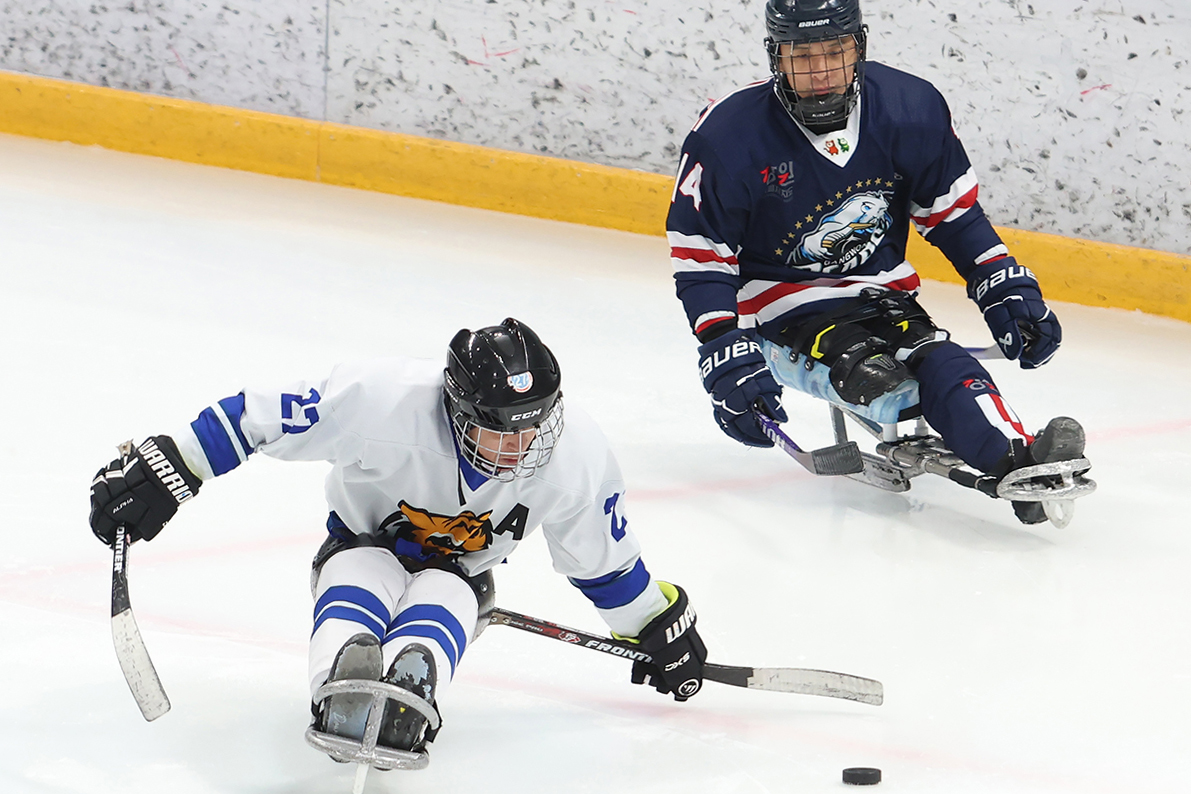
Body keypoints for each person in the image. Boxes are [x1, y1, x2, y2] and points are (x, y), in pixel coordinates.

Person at [88, 318, 707, 768]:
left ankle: (413, 693)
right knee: (361, 572)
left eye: (533, 427)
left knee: (446, 594)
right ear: (457, 411)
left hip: (463, 577)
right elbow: (257, 417)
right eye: (498, 432)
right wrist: (170, 468)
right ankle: (340, 687)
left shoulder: (577, 455)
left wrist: (656, 627)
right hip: (360, 544)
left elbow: (604, 564)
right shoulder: (382, 401)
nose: (518, 448)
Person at [666, 0, 1088, 524]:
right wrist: (723, 345)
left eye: (835, 52)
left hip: (882, 297)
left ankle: (1021, 466)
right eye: (803, 56)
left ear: (859, 46)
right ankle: (1001, 457)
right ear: (776, 56)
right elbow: (701, 257)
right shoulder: (729, 135)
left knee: (944, 362)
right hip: (779, 312)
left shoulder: (909, 107)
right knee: (879, 379)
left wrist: (1000, 281)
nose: (821, 72)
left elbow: (953, 216)